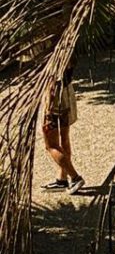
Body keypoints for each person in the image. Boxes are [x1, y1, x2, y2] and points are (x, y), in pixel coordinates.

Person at [41, 66, 83, 194]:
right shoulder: (64, 48)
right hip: (66, 90)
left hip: (54, 93)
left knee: (51, 145)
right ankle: (62, 178)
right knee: (64, 138)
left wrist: (48, 110)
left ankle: (75, 177)